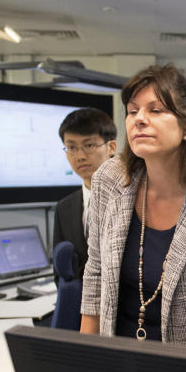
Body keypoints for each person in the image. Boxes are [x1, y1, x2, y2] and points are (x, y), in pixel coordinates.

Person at [80, 64, 186, 348]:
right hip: (112, 358)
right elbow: (95, 274)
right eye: (133, 110)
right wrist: (83, 361)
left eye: (156, 110)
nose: (139, 119)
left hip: (182, 369)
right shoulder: (109, 180)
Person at [53, 107, 117, 280]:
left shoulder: (133, 197)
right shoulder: (64, 208)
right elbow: (60, 273)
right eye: (71, 147)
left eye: (89, 145)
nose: (79, 156)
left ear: (111, 147)